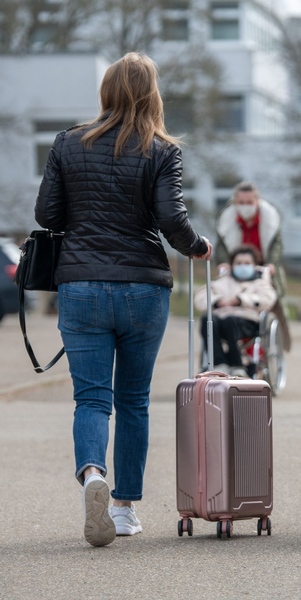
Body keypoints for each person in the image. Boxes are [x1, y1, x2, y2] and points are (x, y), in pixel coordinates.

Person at [34, 52, 211, 547]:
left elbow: (47, 214)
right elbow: (171, 218)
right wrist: (197, 245)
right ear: (153, 94)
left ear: (106, 91)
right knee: (133, 400)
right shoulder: (162, 150)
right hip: (142, 288)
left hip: (81, 286)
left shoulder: (68, 143)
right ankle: (124, 509)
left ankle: (93, 473)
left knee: (92, 398)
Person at [194, 245, 277, 377]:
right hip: (220, 319)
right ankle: (219, 364)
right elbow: (201, 297)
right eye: (238, 263)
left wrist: (240, 300)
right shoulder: (223, 281)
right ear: (232, 265)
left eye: (247, 263)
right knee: (207, 320)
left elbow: (268, 298)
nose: (242, 266)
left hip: (248, 321)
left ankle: (237, 364)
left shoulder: (260, 283)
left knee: (230, 321)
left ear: (254, 265)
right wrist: (217, 301)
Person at [216, 181, 286, 298]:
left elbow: (276, 244)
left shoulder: (271, 220)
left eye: (249, 202)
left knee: (274, 297)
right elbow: (222, 245)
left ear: (257, 201)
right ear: (235, 202)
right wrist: (224, 262)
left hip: (264, 268)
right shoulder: (226, 221)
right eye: (241, 202)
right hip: (237, 268)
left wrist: (271, 263)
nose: (245, 206)